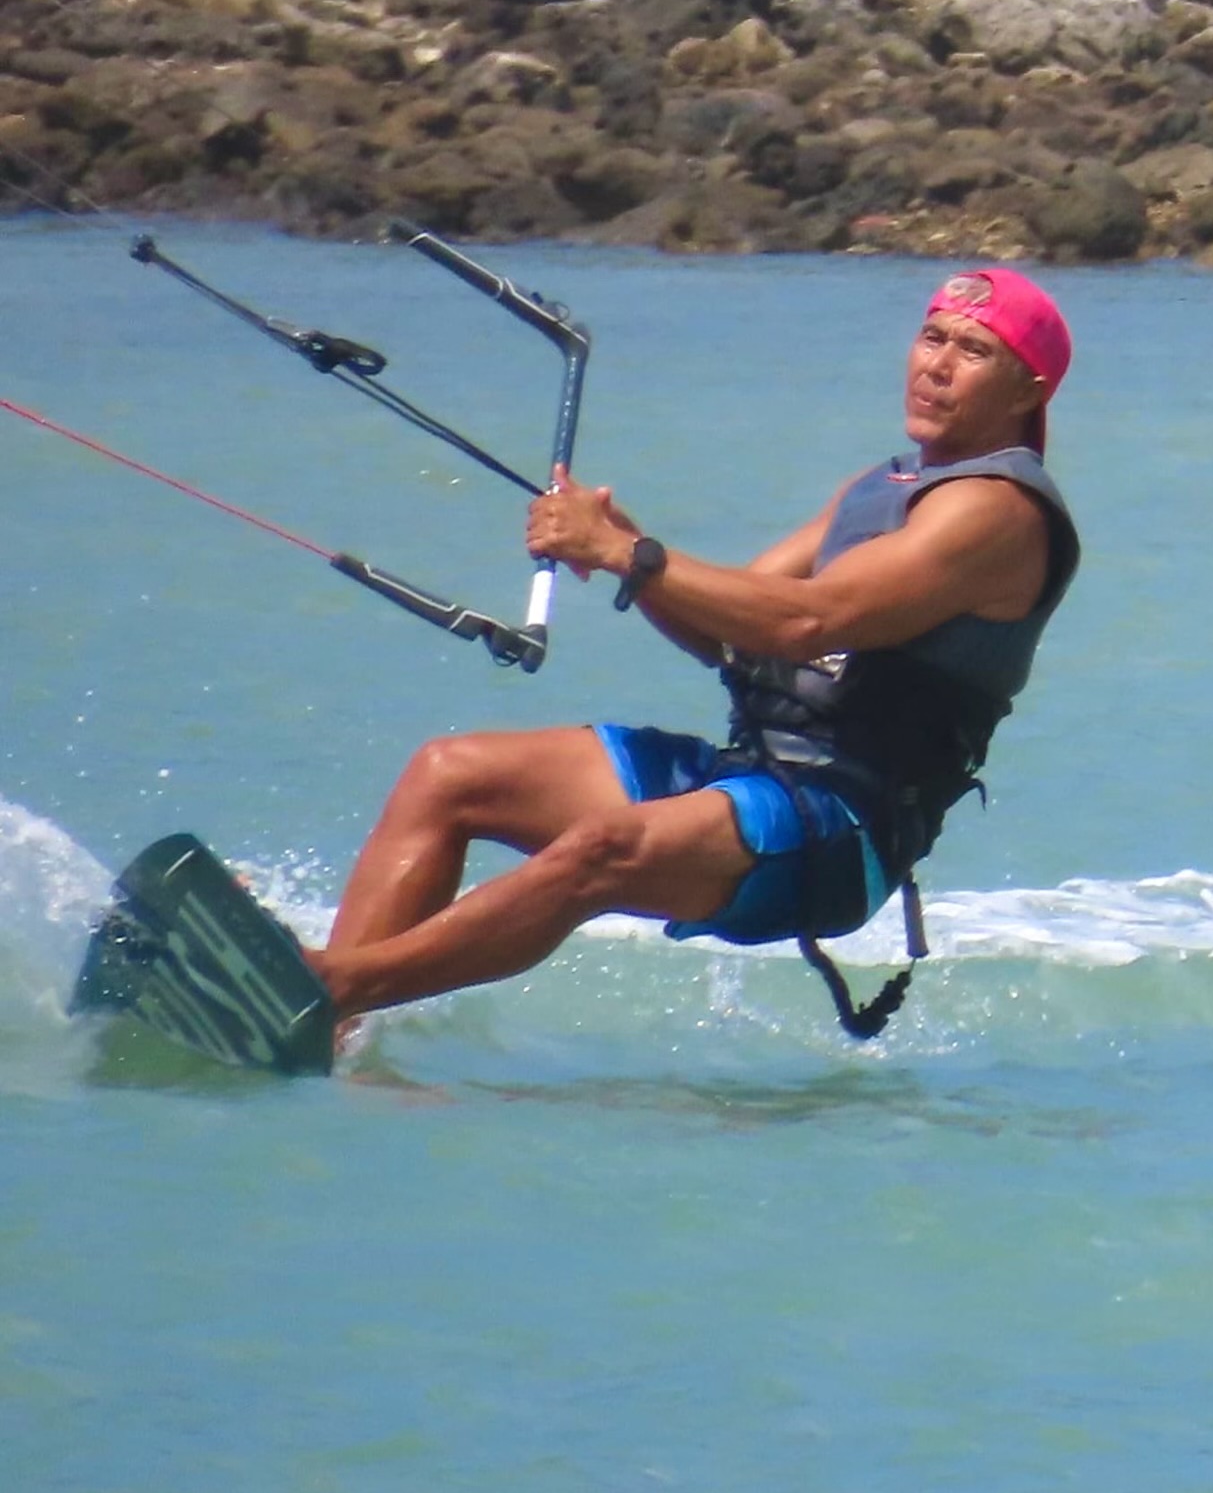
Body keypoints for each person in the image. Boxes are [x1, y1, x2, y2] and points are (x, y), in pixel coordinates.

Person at [301, 266, 1086, 1038]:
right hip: (755, 773)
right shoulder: (884, 485)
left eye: (973, 351)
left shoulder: (998, 512)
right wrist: (630, 555)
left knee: (602, 850)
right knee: (450, 776)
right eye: (931, 338)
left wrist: (631, 556)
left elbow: (810, 621)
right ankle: (327, 1035)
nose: (937, 365)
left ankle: (331, 987)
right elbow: (732, 633)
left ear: (1028, 392)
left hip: (843, 827)